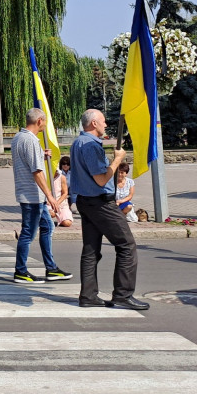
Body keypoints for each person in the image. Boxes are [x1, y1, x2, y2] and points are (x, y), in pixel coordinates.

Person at [68, 109, 147, 310]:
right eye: (103, 122)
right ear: (94, 123)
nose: (106, 125)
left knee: (91, 250)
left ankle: (88, 295)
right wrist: (118, 159)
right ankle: (123, 294)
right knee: (126, 245)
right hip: (100, 202)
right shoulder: (90, 145)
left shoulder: (78, 142)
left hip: (85, 201)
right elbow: (101, 179)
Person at [11, 109, 73, 284]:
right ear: (39, 121)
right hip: (32, 195)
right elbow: (37, 172)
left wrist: (41, 155)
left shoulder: (18, 137)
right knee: (28, 233)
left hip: (29, 193)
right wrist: (50, 196)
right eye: (45, 122)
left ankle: (51, 268)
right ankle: (20, 271)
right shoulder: (30, 140)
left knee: (47, 227)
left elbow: (25, 159)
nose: (45, 125)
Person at [49, 156, 75, 227]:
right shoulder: (45, 177)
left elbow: (65, 193)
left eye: (67, 164)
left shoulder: (62, 177)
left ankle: (59, 220)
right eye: (64, 164)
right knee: (52, 213)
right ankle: (46, 220)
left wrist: (57, 203)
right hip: (49, 202)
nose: (66, 166)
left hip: (61, 201)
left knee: (67, 223)